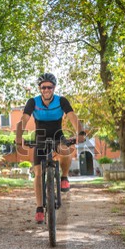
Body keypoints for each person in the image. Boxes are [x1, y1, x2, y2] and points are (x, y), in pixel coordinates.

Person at [15, 73, 86, 224]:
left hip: (57, 134)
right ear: (39, 88)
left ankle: (64, 177)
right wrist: (19, 137)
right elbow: (24, 120)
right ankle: (39, 208)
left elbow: (72, 116)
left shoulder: (61, 100)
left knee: (66, 150)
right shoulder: (33, 102)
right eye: (43, 87)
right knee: (38, 173)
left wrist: (80, 133)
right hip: (40, 136)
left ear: (54, 88)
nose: (47, 90)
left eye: (50, 87)